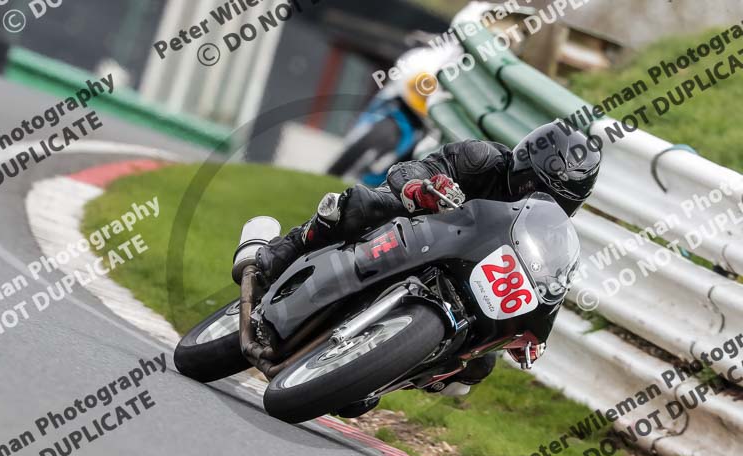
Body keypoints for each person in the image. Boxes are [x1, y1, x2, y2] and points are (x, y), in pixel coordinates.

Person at [255, 121, 601, 402]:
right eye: (535, 186)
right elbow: (413, 168)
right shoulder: (481, 159)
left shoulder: (551, 233)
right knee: (362, 204)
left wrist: (532, 334)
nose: (537, 198)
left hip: (468, 279)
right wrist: (420, 187)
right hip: (418, 229)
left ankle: (383, 375)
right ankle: (284, 250)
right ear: (524, 163)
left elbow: (547, 284)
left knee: (479, 366)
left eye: (558, 199)